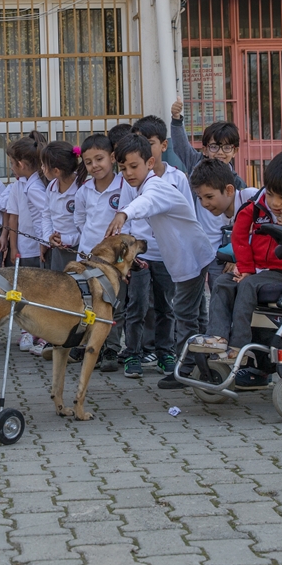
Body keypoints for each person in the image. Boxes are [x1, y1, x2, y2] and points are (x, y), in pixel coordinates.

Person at [188, 150, 282, 382]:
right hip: (258, 270)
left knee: (248, 286)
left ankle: (240, 345)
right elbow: (239, 234)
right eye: (271, 195)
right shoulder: (257, 206)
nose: (276, 203)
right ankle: (217, 337)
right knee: (222, 282)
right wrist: (246, 267)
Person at [105, 133, 217, 385]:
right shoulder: (140, 187)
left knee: (185, 315)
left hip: (192, 259)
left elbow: (145, 203)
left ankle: (188, 371)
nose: (128, 173)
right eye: (123, 169)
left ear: (150, 162)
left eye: (134, 166)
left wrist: (123, 214)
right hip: (184, 261)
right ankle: (198, 368)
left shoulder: (157, 187)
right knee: (189, 315)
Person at [157, 158, 259, 390]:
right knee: (220, 287)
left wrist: (242, 262)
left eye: (209, 197)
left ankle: (240, 350)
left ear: (229, 190)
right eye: (200, 198)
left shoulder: (253, 197)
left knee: (236, 290)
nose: (204, 204)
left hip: (260, 268)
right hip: (234, 264)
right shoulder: (218, 212)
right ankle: (217, 343)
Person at [118, 116, 197, 378]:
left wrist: (183, 252)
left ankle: (166, 353)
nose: (129, 171)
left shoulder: (178, 178)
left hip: (167, 256)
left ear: (161, 147)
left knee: (167, 307)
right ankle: (133, 354)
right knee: (137, 307)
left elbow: (187, 217)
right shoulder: (130, 181)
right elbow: (128, 218)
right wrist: (128, 258)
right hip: (140, 256)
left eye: (149, 143)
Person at [72, 133, 130, 373]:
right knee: (89, 302)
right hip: (88, 259)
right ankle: (87, 343)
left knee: (115, 304)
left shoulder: (124, 187)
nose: (94, 166)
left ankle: (111, 349)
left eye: (99, 159)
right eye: (88, 162)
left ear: (113, 158)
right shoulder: (84, 191)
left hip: (115, 262)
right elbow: (80, 222)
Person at [4, 131, 48, 355]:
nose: (11, 167)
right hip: (26, 248)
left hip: (38, 249)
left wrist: (43, 242)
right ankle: (28, 330)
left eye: (12, 163)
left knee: (40, 293)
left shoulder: (35, 187)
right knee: (23, 291)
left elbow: (45, 215)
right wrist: (13, 246)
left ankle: (43, 333)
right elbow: (14, 216)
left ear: (21, 164)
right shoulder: (24, 185)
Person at [169, 100, 246, 188]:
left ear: (235, 151)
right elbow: (181, 146)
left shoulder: (238, 183)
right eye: (214, 147)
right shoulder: (196, 162)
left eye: (227, 147)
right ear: (205, 150)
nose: (220, 152)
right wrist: (176, 119)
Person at [40, 140, 84, 272]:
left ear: (56, 171)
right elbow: (46, 215)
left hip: (79, 249)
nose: (41, 168)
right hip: (57, 249)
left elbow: (87, 226)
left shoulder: (81, 189)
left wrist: (68, 240)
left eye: (43, 165)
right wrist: (49, 237)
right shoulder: (51, 187)